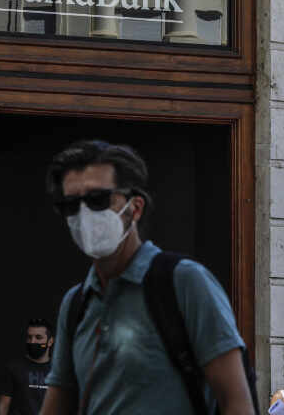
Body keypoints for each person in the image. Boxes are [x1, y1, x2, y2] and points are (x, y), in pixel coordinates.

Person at [39, 140, 254, 415]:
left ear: (135, 207)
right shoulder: (76, 305)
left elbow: (235, 402)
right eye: (70, 205)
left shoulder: (184, 282)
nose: (84, 214)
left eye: (97, 200)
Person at [0, 318, 53, 415]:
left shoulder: (58, 370)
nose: (32, 341)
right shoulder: (14, 367)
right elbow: (4, 404)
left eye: (38, 337)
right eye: (29, 337)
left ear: (50, 341)